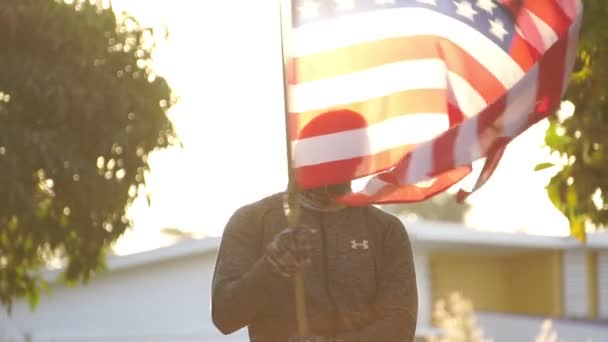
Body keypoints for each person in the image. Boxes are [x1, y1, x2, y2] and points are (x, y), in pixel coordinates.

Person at [211, 182, 418, 341]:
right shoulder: (254, 220)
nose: (329, 160)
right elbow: (225, 318)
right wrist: (269, 268)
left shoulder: (384, 228)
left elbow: (400, 325)